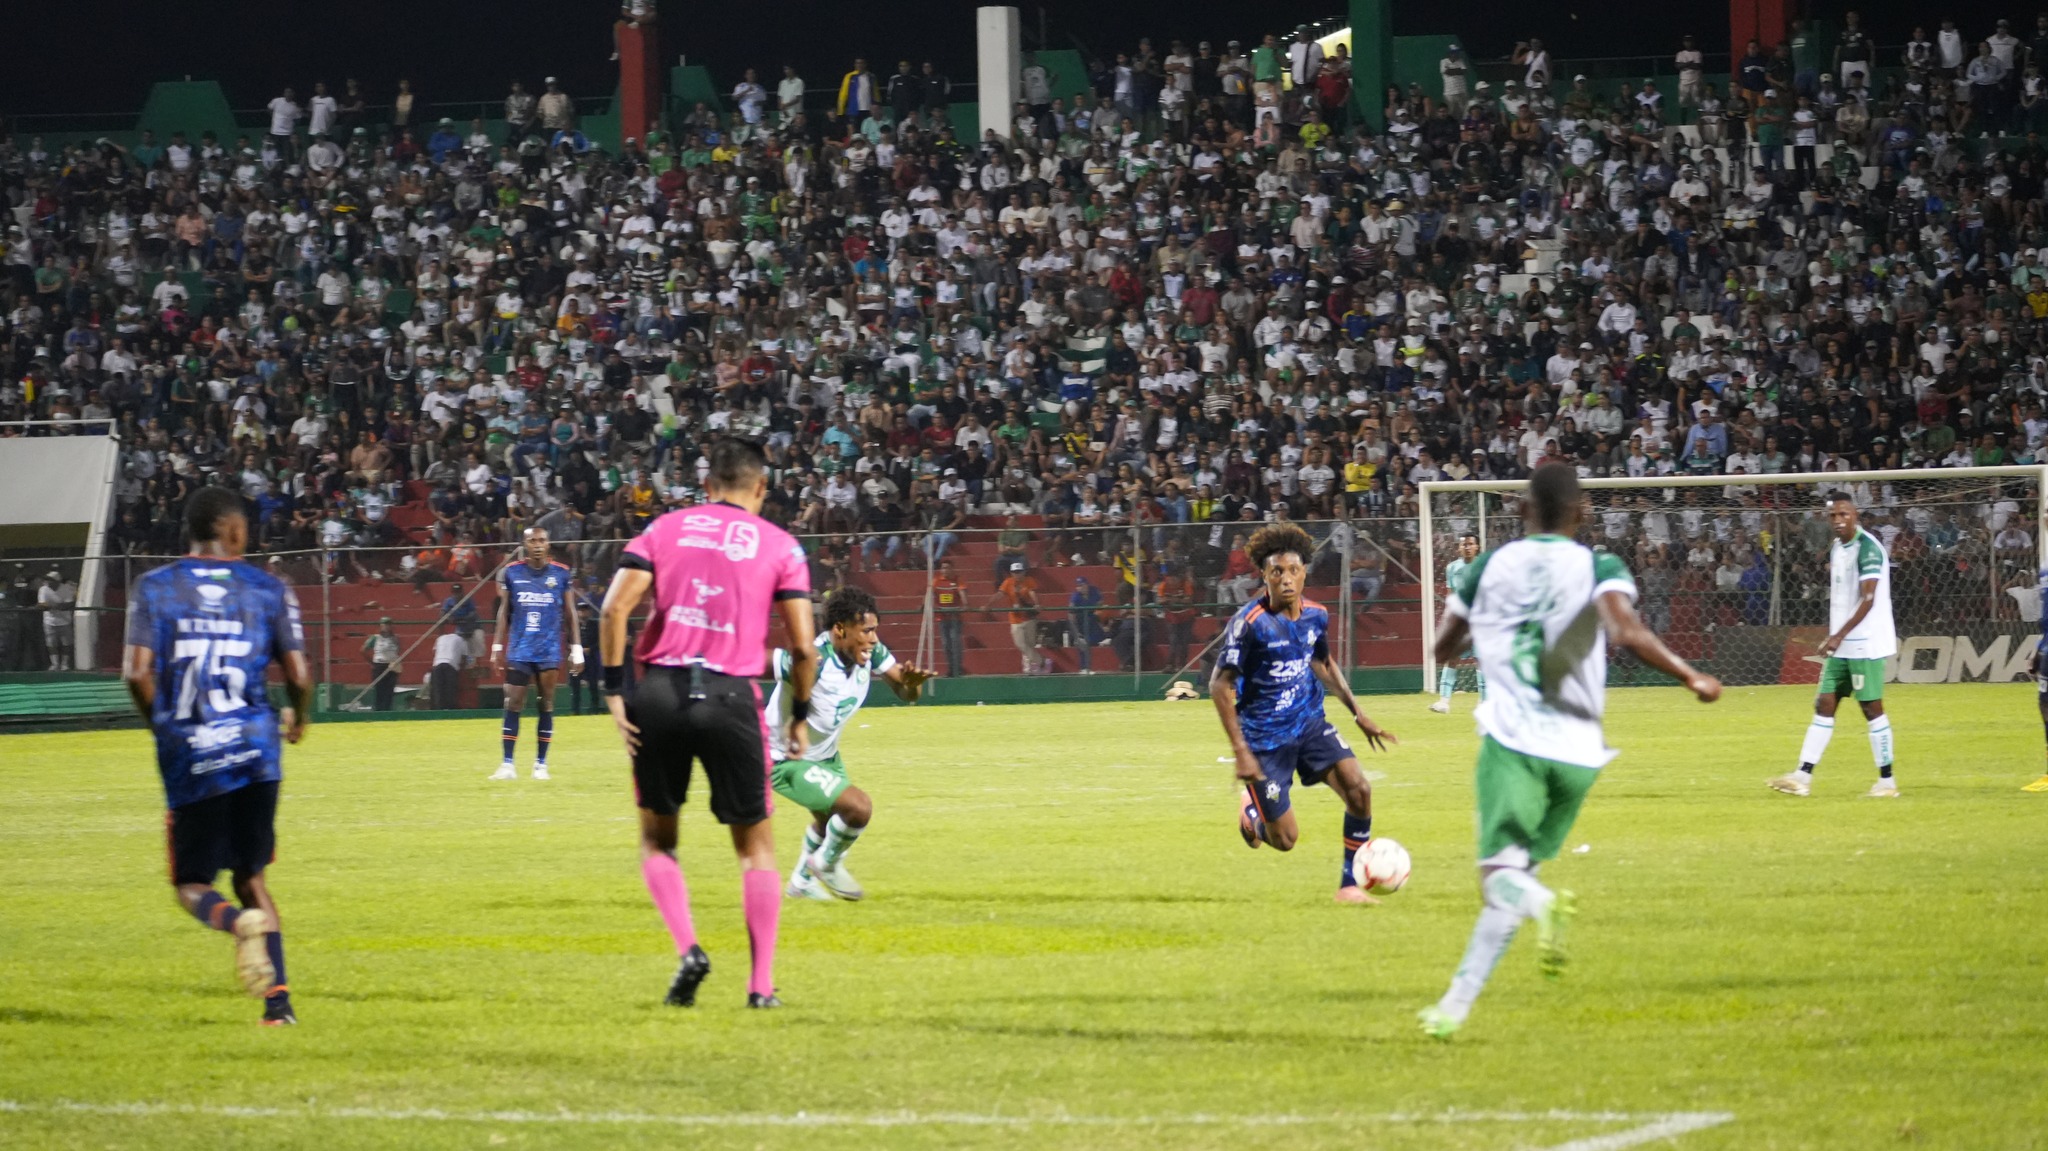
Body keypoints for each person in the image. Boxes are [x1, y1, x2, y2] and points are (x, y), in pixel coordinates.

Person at [1419, 464, 1721, 1040]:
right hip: (1580, 753)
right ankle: (1453, 1007)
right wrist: (1691, 677)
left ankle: (1544, 906)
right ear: (1582, 512)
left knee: (1501, 880)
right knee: (1515, 874)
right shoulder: (1598, 565)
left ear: (1522, 509)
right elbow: (1627, 631)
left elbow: (1441, 647)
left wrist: (1484, 625)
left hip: (1514, 741)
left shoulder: (1488, 566)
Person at [597, 438, 818, 1010]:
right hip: (730, 696)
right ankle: (760, 986)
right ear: (761, 488)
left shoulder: (665, 529)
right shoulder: (782, 546)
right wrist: (799, 717)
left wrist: (616, 692)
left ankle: (689, 948)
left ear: (707, 485)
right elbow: (802, 648)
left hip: (662, 693)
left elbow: (613, 609)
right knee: (755, 847)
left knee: (656, 839)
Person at [121, 486, 314, 1026]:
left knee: (191, 883)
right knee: (252, 877)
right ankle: (279, 1007)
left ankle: (235, 926)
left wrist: (169, 729)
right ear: (232, 531)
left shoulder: (155, 587)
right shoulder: (267, 588)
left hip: (193, 749)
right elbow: (299, 675)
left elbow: (136, 673)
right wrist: (300, 716)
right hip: (256, 747)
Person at [1212, 522, 1396, 906]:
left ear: (1304, 572)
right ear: (1263, 575)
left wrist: (1358, 713)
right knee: (1285, 840)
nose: (1285, 578)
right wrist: (1241, 750)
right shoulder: (1248, 624)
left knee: (1359, 790)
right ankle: (1253, 817)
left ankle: (1349, 886)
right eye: (1276, 571)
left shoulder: (1316, 615)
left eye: (1293, 570)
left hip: (1309, 723)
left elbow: (1324, 663)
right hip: (1264, 739)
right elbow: (1219, 685)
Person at [769, 587, 934, 901]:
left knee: (828, 819)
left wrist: (912, 688)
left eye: (875, 630)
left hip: (825, 754)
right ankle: (826, 866)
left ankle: (801, 885)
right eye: (866, 631)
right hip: (783, 758)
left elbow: (905, 692)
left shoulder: (872, 653)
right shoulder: (813, 661)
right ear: (839, 629)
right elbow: (771, 668)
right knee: (858, 808)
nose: (873, 638)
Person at [1769, 493, 1900, 798]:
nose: (1839, 520)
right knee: (1824, 704)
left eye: (1844, 514)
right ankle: (1802, 777)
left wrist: (1838, 635)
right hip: (1842, 643)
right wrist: (1836, 636)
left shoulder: (1867, 550)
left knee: (1871, 708)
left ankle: (1887, 782)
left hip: (1865, 643)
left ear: (1856, 514)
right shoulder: (1838, 548)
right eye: (1833, 516)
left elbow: (1868, 600)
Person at [490, 528, 583, 781]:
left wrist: (576, 649)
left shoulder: (561, 573)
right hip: (519, 649)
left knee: (546, 704)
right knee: (513, 702)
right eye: (533, 541)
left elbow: (571, 612)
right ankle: (507, 764)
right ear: (525, 545)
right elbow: (504, 611)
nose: (538, 545)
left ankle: (540, 765)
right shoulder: (512, 572)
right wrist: (497, 647)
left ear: (548, 543)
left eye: (542, 540)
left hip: (549, 650)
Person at [1432, 533, 1484, 712]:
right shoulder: (1452, 568)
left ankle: (1484, 702)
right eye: (1464, 545)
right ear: (1458, 548)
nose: (1467, 547)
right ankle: (1444, 702)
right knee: (1452, 658)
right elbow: (1450, 593)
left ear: (1477, 547)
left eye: (1470, 544)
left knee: (1481, 660)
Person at [987, 561, 1046, 674]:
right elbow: (1000, 594)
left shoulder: (1029, 581)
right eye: (1015, 572)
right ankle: (1040, 661)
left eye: (1019, 572)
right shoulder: (1008, 582)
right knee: (1020, 644)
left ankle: (1028, 669)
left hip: (1029, 617)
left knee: (1030, 644)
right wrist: (988, 604)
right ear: (1011, 573)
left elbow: (1032, 592)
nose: (1017, 574)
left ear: (1023, 572)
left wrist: (1037, 603)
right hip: (1015, 619)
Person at [930, 558, 966, 678]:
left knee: (955, 642)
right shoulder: (936, 581)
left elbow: (962, 593)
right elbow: (930, 594)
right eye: (943, 568)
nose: (945, 570)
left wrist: (965, 604)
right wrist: (924, 605)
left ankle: (958, 668)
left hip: (955, 617)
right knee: (946, 644)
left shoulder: (957, 580)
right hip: (942, 618)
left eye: (947, 568)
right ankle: (951, 668)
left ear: (952, 569)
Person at [361, 616, 400, 711]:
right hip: (379, 665)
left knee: (390, 690)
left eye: (388, 625)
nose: (386, 627)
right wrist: (371, 663)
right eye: (384, 625)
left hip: (391, 666)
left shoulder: (395, 638)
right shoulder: (375, 638)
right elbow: (363, 650)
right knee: (379, 690)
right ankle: (378, 710)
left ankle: (387, 709)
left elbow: (397, 651)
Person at [429, 622, 469, 710]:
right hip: (451, 665)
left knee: (438, 690)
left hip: (437, 665)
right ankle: (449, 709)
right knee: (450, 690)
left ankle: (438, 710)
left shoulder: (441, 638)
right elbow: (464, 658)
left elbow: (435, 652)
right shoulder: (462, 641)